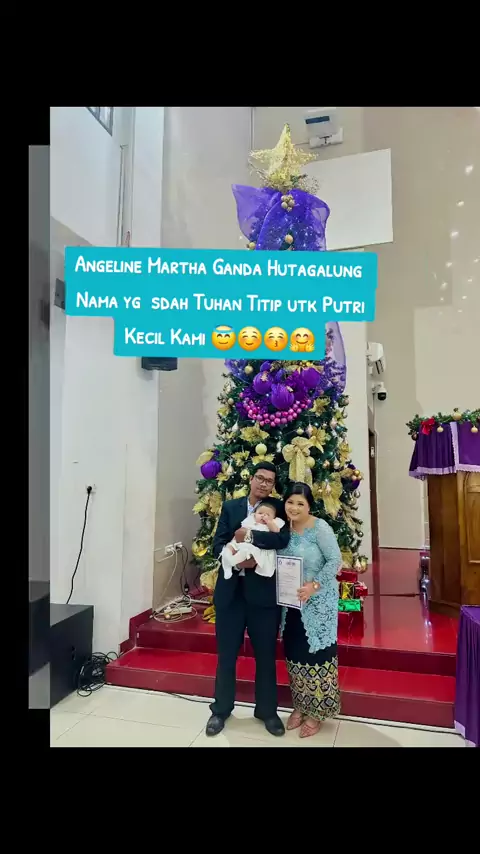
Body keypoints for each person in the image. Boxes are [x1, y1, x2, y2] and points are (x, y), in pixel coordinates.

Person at [205, 463, 290, 737]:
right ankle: (221, 709)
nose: (264, 484)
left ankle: (267, 711)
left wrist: (251, 537)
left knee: (265, 655)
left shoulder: (277, 509)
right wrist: (237, 559)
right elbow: (217, 544)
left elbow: (282, 540)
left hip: (263, 597)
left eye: (269, 481)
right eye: (260, 478)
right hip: (231, 594)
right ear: (251, 479)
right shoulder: (231, 507)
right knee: (226, 654)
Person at [279, 482, 342, 738]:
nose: (294, 508)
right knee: (295, 655)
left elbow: (335, 560)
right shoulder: (282, 529)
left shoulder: (320, 528)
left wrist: (314, 586)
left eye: (300, 503)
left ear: (309, 506)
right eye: (290, 502)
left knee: (317, 656)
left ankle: (317, 712)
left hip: (318, 604)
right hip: (291, 605)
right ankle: (300, 705)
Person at [221, 501, 285, 580]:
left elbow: (277, 532)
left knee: (245, 551)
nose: (263, 516)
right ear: (254, 514)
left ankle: (231, 562)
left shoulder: (271, 524)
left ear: (274, 518)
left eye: (267, 515)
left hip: (252, 548)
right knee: (229, 547)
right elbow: (239, 532)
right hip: (240, 543)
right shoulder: (250, 521)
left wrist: (269, 522)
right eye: (260, 513)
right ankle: (227, 565)